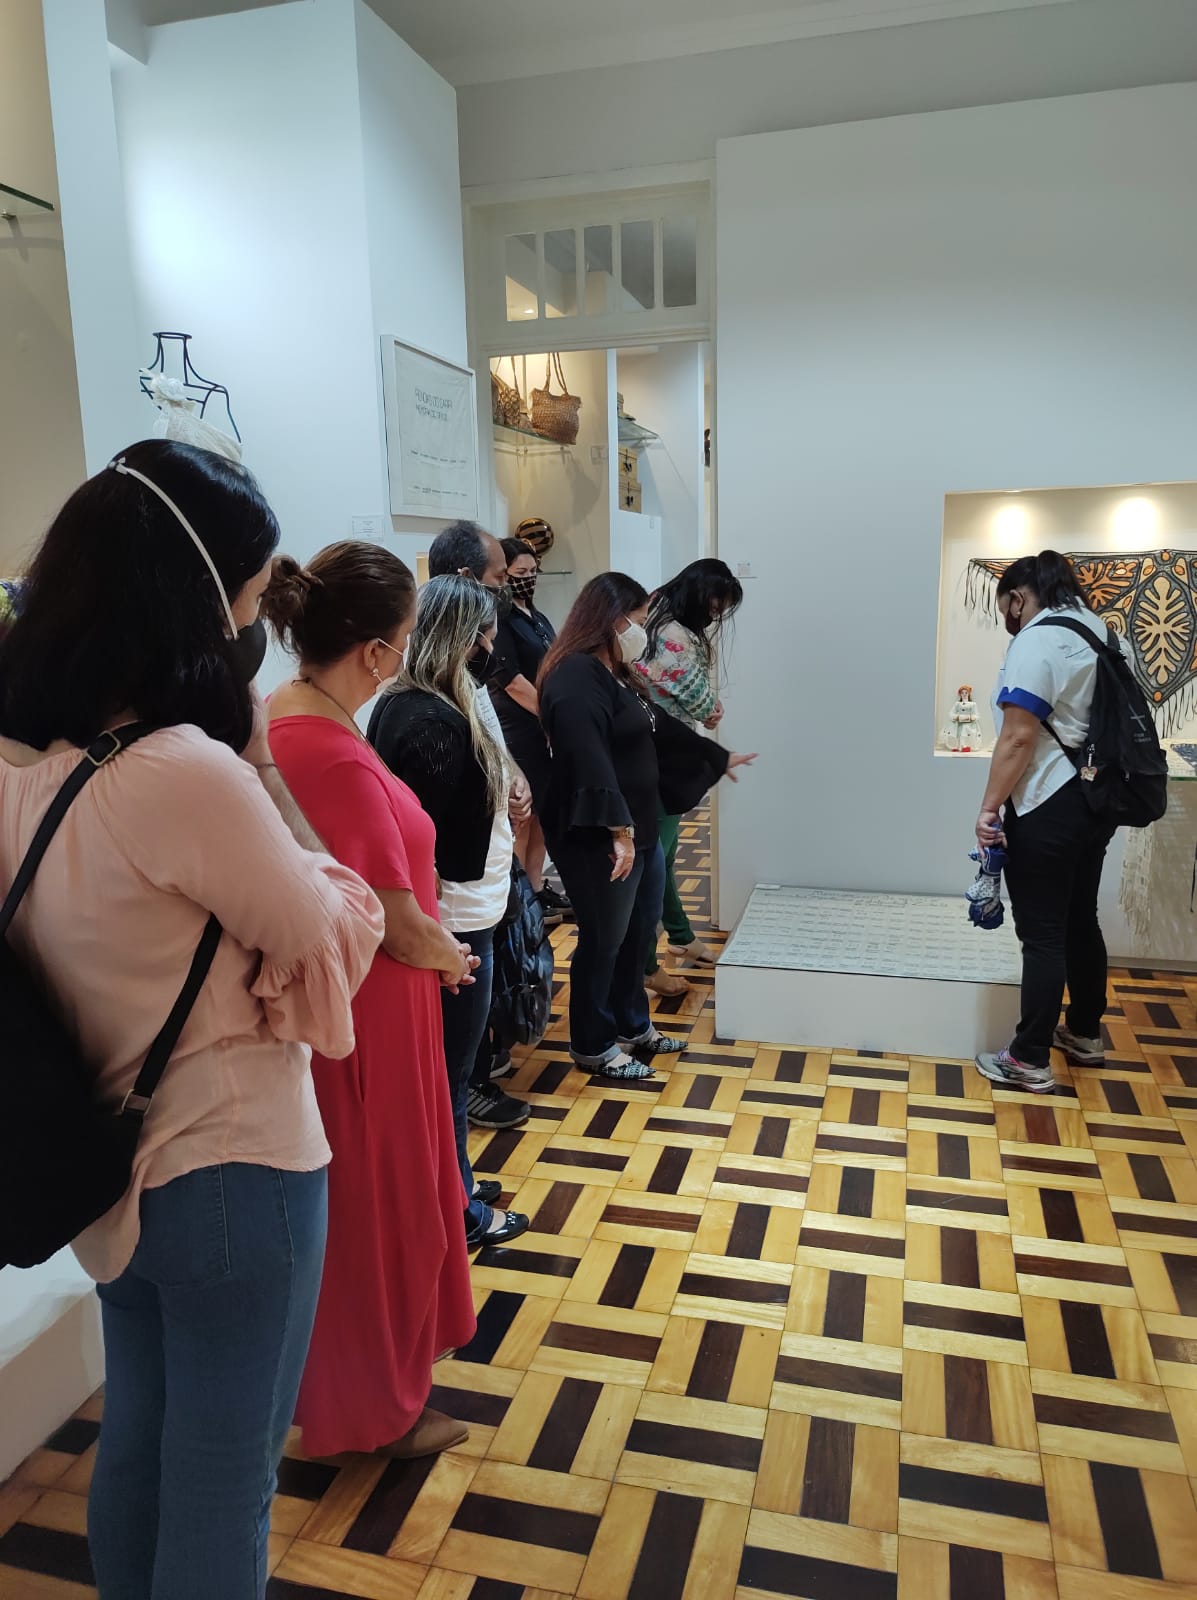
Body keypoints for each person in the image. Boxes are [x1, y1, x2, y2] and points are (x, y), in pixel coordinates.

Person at [0, 441, 383, 1600]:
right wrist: (260, 769)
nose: (255, 625)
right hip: (233, 1166)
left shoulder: (14, 762)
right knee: (225, 1481)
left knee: (141, 1438)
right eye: (252, 595)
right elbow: (331, 932)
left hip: (103, 1165)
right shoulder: (183, 771)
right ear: (193, 594)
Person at [263, 542, 477, 1462]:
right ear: (377, 650)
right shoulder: (325, 749)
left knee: (373, 1204)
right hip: (374, 1014)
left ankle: (369, 1394)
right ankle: (373, 1410)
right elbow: (389, 917)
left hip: (372, 1007)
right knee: (378, 1210)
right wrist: (451, 956)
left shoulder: (290, 717)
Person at [538, 572, 756, 1079]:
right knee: (604, 940)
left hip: (639, 828)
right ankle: (594, 1045)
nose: (643, 631)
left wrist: (714, 756)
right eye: (637, 621)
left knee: (639, 932)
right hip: (599, 836)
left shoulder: (615, 673)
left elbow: (658, 727)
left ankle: (633, 1026)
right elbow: (587, 758)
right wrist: (617, 832)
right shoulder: (574, 676)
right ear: (611, 620)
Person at [369, 574, 531, 1245]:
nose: (492, 647)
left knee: (448, 1073)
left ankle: (453, 1181)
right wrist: (437, 938)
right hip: (453, 921)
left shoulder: (426, 703)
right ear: (461, 638)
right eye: (484, 636)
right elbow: (426, 848)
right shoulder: (430, 721)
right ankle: (457, 1209)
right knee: (450, 1076)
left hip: (463, 911)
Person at [973, 550, 1122, 1094]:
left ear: (1017, 598)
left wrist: (989, 808)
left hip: (1046, 802)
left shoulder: (1037, 640)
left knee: (1041, 934)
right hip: (1096, 799)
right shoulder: (1102, 633)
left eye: (1005, 611)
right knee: (1081, 918)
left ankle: (1028, 1057)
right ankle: (1084, 1033)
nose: (1008, 623)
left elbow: (1018, 735)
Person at [426, 519, 536, 1125]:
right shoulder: (425, 711)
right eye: (499, 578)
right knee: (453, 1055)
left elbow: (490, 742)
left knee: (474, 1023)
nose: (506, 589)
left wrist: (511, 778)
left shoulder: (463, 681)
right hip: (458, 902)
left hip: (479, 889)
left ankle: (476, 1080)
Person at [633, 558, 744, 996]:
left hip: (662, 751)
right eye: (715, 605)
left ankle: (679, 936)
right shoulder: (673, 632)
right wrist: (712, 709)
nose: (716, 615)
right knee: (654, 864)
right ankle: (645, 966)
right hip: (661, 755)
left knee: (663, 858)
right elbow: (697, 697)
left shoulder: (659, 618)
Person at [493, 535, 571, 927]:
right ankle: (520, 898)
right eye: (519, 572)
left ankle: (538, 888)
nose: (528, 578)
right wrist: (552, 713)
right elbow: (511, 680)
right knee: (523, 817)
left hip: (544, 727)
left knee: (542, 814)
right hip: (519, 726)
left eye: (532, 571)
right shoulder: (502, 619)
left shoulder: (535, 616)